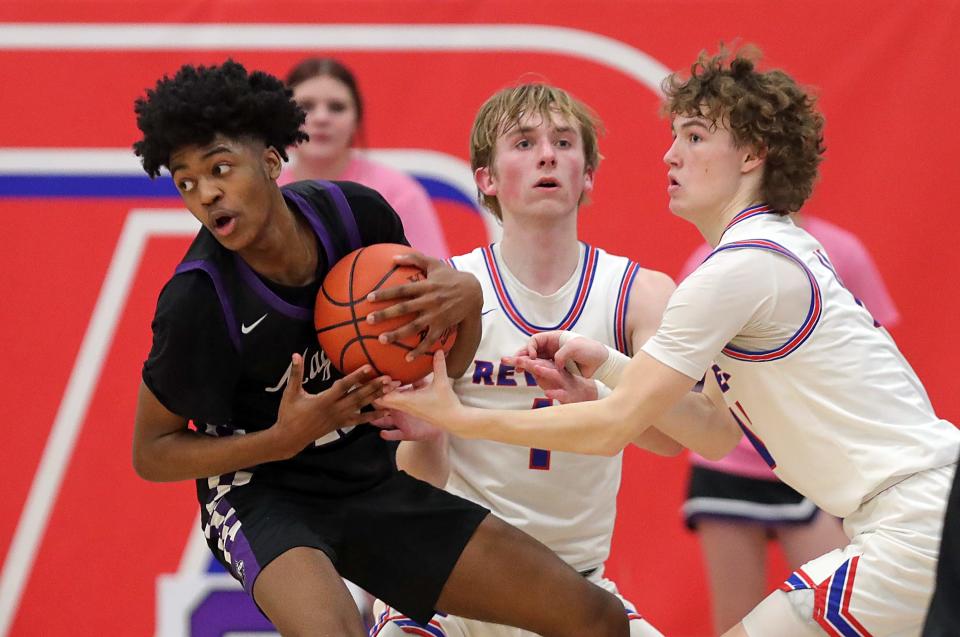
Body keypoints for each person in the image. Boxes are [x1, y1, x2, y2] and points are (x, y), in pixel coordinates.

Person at [380, 47, 960, 637]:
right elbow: (710, 426)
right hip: (923, 511)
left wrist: (460, 416)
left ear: (752, 155)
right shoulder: (768, 249)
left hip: (913, 520)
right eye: (675, 135)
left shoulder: (734, 270)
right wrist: (607, 363)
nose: (670, 152)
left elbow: (613, 430)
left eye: (695, 136)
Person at [130, 60, 633, 637]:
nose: (206, 193)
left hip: (367, 478)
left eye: (220, 167)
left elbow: (440, 368)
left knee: (595, 618)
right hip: (259, 493)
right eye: (186, 182)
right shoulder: (199, 299)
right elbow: (152, 452)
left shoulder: (354, 215)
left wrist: (465, 300)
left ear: (271, 160)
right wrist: (280, 439)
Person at [369, 83, 675, 637]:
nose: (548, 154)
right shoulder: (446, 292)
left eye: (563, 142)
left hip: (577, 590)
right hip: (455, 585)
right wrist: (428, 433)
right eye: (525, 142)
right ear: (486, 178)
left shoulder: (638, 293)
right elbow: (419, 478)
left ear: (588, 176)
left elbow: (676, 437)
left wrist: (603, 401)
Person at [678, 213, 900, 635]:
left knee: (846, 614)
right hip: (728, 467)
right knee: (735, 625)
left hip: (816, 468)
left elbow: (874, 367)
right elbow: (682, 372)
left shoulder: (839, 252)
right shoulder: (708, 262)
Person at [283, 57, 449, 257]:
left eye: (337, 107)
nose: (321, 118)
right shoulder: (265, 190)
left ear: (357, 119)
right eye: (306, 106)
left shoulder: (399, 193)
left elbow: (432, 276)